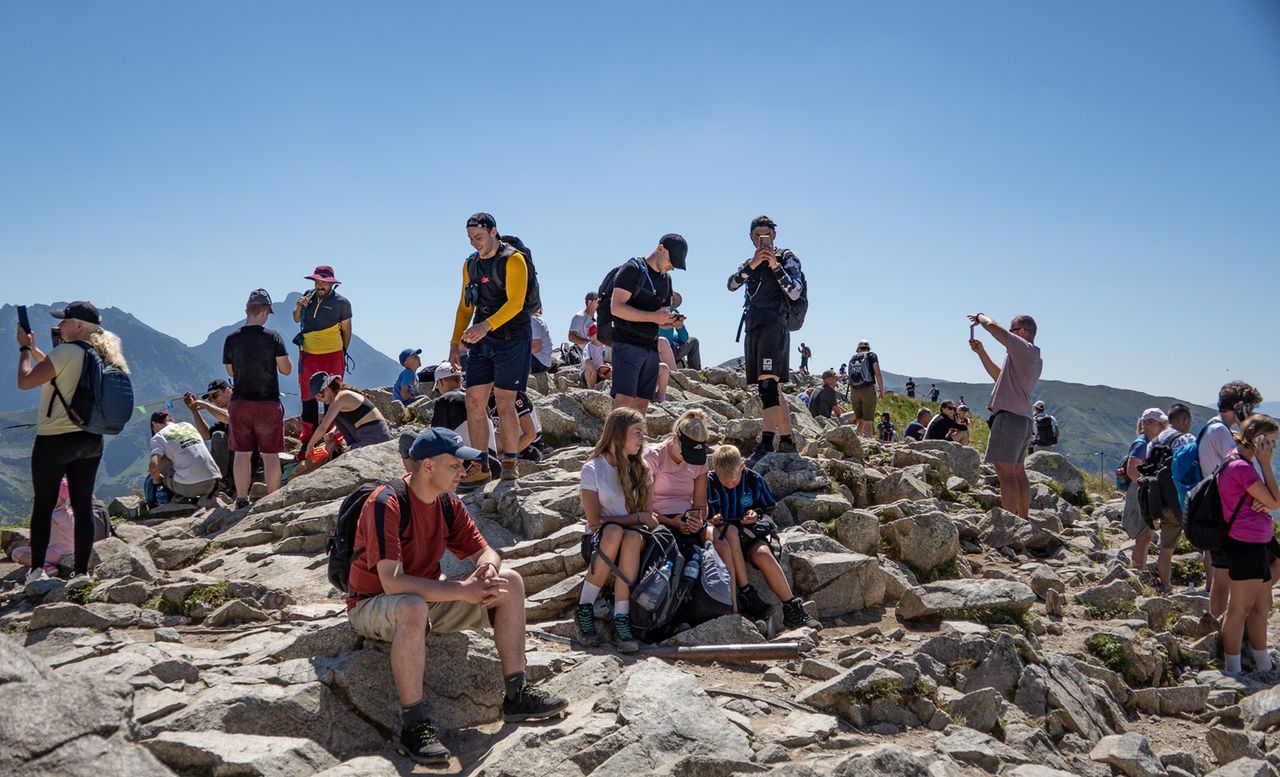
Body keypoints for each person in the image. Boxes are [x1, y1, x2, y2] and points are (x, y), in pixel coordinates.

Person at [345, 427, 568, 763]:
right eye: (455, 465)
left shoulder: (447, 503)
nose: (464, 472)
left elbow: (487, 552)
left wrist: (489, 569)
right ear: (428, 467)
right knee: (411, 607)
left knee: (511, 583)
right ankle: (414, 726)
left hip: (428, 600)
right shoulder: (385, 503)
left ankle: (516, 694)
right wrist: (462, 591)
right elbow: (391, 582)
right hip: (372, 604)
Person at [15, 301, 127, 587]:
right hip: (91, 440)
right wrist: (38, 349)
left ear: (78, 326)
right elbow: (60, 373)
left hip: (55, 440)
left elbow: (26, 381)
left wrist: (24, 349)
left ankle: (36, 571)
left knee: (43, 505)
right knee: (81, 504)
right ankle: (82, 573)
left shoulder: (65, 352)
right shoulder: (103, 354)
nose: (60, 325)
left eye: (65, 321)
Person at [450, 213, 533, 482]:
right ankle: (480, 464)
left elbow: (516, 303)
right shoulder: (470, 265)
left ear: (494, 232)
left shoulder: (514, 259)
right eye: (471, 238)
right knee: (474, 400)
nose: (475, 243)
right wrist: (454, 343)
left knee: (505, 400)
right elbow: (465, 306)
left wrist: (485, 326)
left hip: (512, 337)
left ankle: (510, 463)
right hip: (481, 338)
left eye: (479, 237)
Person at [707, 445, 820, 629]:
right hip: (725, 539)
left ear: (742, 467)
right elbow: (704, 515)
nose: (729, 485)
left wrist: (755, 515)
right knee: (731, 532)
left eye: (733, 481)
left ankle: (792, 607)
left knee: (763, 555)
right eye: (724, 481)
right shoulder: (709, 482)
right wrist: (713, 518)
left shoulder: (753, 479)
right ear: (715, 471)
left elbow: (768, 510)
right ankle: (746, 592)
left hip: (750, 535)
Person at [576, 407, 658, 653]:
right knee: (614, 533)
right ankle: (584, 606)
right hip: (601, 539)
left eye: (642, 433)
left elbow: (649, 520)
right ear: (619, 433)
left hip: (634, 538)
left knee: (630, 536)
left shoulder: (642, 469)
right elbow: (594, 522)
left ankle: (621, 618)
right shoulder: (592, 470)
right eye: (637, 432)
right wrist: (636, 518)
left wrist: (636, 519)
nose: (642, 439)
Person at [729, 216, 804, 469]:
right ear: (751, 237)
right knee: (771, 384)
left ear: (775, 235)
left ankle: (767, 442)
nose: (763, 239)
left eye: (768, 234)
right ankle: (786, 440)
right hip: (753, 326)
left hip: (775, 325)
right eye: (758, 235)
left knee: (768, 386)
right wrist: (753, 265)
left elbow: (795, 291)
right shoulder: (749, 263)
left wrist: (774, 265)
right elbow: (731, 284)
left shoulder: (786, 257)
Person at [1218, 414, 1280, 675]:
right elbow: (1277, 501)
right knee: (1239, 608)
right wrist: (1266, 465)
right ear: (1259, 440)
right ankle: (1233, 670)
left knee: (1261, 605)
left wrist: (1265, 502)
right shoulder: (1241, 467)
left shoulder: (1237, 460)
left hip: (1258, 541)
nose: (1274, 447)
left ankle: (1262, 662)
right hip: (1246, 543)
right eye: (1272, 441)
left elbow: (1270, 501)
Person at [223, 289, 292, 510]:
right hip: (267, 403)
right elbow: (286, 369)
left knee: (242, 453)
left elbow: (230, 371)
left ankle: (242, 498)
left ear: (248, 310)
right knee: (270, 455)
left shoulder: (231, 338)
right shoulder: (273, 337)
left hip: (240, 403)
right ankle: (273, 502)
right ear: (263, 312)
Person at [968, 313, 1042, 519]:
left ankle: (1009, 523)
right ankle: (1023, 519)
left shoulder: (1022, 348)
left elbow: (993, 327)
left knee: (1004, 470)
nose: (1010, 334)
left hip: (1010, 417)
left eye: (1013, 330)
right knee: (1017, 470)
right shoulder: (1031, 356)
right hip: (1023, 417)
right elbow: (998, 377)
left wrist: (981, 317)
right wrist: (981, 353)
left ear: (1024, 332)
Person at [1201, 381, 1264, 619]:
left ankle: (1221, 624)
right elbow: (1241, 465)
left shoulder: (1213, 427)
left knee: (1222, 576)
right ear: (1240, 407)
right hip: (1232, 514)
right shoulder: (1222, 431)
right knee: (1227, 577)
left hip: (1222, 510)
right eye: (1250, 407)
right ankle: (1231, 625)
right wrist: (1246, 426)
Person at [609, 234, 687, 413]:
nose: (672, 267)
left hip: (651, 346)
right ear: (660, 248)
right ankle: (614, 441)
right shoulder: (632, 269)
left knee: (643, 401)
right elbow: (616, 308)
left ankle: (636, 441)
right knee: (624, 400)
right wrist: (653, 317)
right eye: (671, 260)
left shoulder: (666, 280)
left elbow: (662, 317)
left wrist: (671, 322)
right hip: (627, 342)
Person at [294, 265, 352, 446]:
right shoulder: (308, 297)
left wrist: (342, 351)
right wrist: (299, 307)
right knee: (308, 395)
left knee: (333, 394)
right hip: (309, 355)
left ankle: (334, 434)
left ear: (332, 284)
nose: (321, 285)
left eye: (324, 282)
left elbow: (347, 330)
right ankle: (308, 437)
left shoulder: (342, 303)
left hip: (333, 354)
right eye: (318, 281)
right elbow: (296, 319)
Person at [646, 409, 713, 563]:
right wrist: (671, 522)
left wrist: (699, 521)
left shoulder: (700, 461)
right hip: (658, 520)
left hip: (687, 520)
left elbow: (701, 504)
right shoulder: (653, 456)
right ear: (675, 438)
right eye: (685, 454)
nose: (688, 460)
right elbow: (644, 508)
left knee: (720, 543)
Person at [429, 362, 498, 488]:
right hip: (492, 462)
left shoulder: (444, 400)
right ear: (460, 379)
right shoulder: (478, 399)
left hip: (467, 468)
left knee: (409, 441)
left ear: (441, 382)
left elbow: (435, 439)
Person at [308, 372, 393, 451]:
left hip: (376, 435)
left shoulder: (341, 398)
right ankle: (352, 446)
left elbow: (322, 428)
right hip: (365, 435)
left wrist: (309, 447)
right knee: (336, 416)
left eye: (319, 396)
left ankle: (352, 447)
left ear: (327, 389)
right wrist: (332, 432)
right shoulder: (338, 398)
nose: (318, 400)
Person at [148, 410, 221, 501]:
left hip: (191, 488)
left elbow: (153, 466)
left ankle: (171, 495)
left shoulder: (158, 437)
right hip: (213, 482)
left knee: (162, 459)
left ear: (154, 424)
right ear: (172, 420)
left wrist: (157, 480)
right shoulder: (187, 425)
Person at [10, 478, 75, 575]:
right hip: (72, 549)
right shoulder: (69, 512)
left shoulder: (52, 516)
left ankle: (45, 566)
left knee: (17, 553)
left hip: (56, 553)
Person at [184, 378, 233, 484]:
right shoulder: (223, 415)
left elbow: (229, 418)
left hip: (247, 457)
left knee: (218, 436)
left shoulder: (242, 404)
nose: (214, 401)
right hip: (236, 458)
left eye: (215, 396)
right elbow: (206, 435)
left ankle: (218, 481)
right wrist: (194, 411)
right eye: (210, 399)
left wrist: (206, 405)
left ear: (228, 390)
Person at [488, 390, 543, 461]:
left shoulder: (516, 396)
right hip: (505, 438)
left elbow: (530, 435)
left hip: (527, 444)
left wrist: (506, 455)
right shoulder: (489, 397)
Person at [846, 340, 885, 437]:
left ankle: (859, 439)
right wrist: (881, 390)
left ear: (858, 348)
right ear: (868, 348)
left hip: (854, 390)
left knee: (859, 419)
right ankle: (869, 443)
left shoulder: (853, 357)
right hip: (867, 388)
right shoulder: (872, 356)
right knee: (868, 421)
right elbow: (878, 374)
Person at [568, 292, 606, 389]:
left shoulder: (599, 316)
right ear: (589, 302)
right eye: (597, 301)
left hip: (600, 349)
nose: (600, 303)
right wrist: (589, 343)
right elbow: (571, 337)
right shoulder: (579, 316)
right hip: (586, 351)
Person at [657, 294, 702, 371]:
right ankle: (696, 371)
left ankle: (695, 372)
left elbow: (684, 339)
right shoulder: (656, 313)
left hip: (669, 349)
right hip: (660, 352)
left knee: (693, 341)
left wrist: (680, 327)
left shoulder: (672, 312)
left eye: (671, 299)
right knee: (693, 341)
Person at [529, 307, 554, 392]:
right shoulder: (536, 319)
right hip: (543, 360)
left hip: (539, 361)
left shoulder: (533, 321)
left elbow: (536, 348)